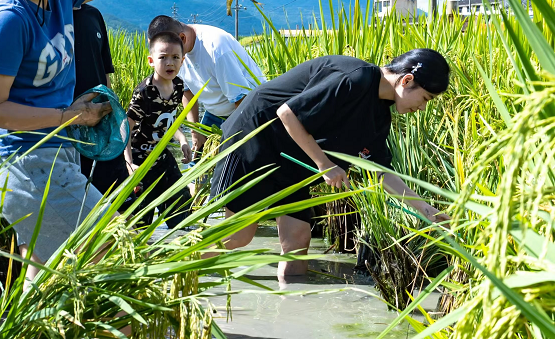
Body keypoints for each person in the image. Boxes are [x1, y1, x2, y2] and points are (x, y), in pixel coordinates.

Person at [0, 0, 236, 282]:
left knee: (46, 277)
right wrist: (69, 116)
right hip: (26, 163)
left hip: (58, 156)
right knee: (115, 254)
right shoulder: (8, 19)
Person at [208, 49, 453, 279]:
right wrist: (324, 164)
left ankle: (292, 302)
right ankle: (183, 267)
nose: (422, 107)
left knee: (298, 240)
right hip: (253, 140)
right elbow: (287, 113)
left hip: (291, 160)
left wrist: (426, 210)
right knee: (238, 237)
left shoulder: (379, 116)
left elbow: (380, 172)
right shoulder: (354, 77)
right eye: (425, 98)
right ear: (407, 80)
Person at [146, 16, 265, 163]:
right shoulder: (174, 54)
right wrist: (195, 132)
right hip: (215, 111)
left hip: (249, 109)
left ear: (182, 38)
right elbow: (187, 92)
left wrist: (236, 139)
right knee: (196, 163)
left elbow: (242, 100)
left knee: (234, 165)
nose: (167, 62)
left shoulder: (216, 48)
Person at [69, 0, 131, 203]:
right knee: (78, 194)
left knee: (114, 195)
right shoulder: (50, 16)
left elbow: (105, 74)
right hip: (67, 121)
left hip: (98, 120)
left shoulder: (94, 16)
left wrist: (108, 114)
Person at [124, 31, 193, 228]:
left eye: (175, 57)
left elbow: (169, 119)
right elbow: (125, 128)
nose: (170, 63)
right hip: (140, 161)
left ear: (183, 61)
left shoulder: (178, 86)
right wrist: (129, 164)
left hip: (161, 157)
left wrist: (182, 140)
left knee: (182, 212)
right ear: (151, 61)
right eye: (163, 57)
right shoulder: (144, 93)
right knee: (140, 223)